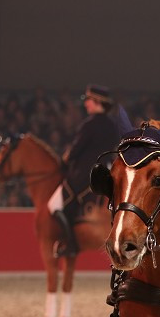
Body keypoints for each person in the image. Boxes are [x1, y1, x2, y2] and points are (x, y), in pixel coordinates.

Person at [48, 84, 121, 257]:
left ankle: (71, 244)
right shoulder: (112, 125)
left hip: (84, 176)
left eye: (88, 100)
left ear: (97, 102)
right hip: (105, 172)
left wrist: (64, 160)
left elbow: (75, 150)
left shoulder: (89, 125)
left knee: (55, 205)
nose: (86, 103)